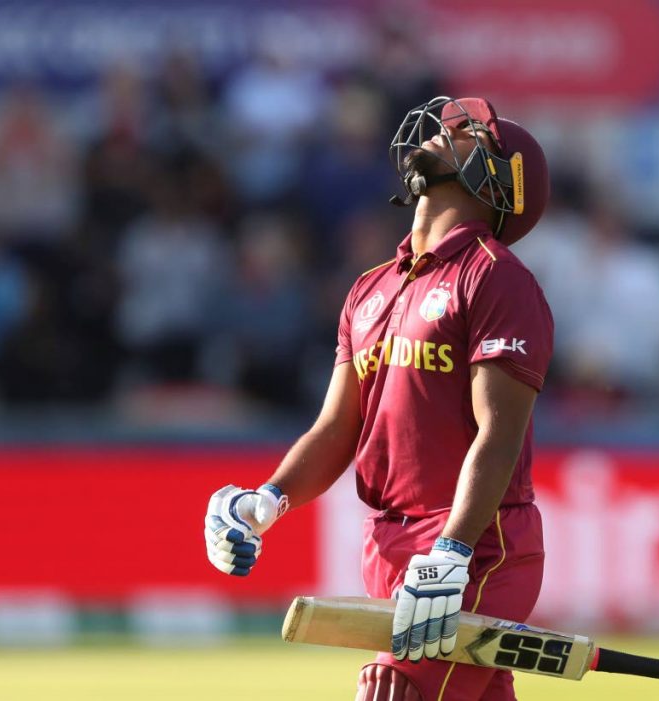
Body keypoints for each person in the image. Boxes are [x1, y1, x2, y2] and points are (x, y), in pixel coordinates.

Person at [204, 96, 552, 700]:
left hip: (476, 545)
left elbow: (498, 432)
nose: (443, 132)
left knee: (392, 690)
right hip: (389, 546)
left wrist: (452, 551)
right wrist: (269, 500)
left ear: (499, 176)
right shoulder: (372, 286)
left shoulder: (495, 276)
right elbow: (337, 426)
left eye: (466, 132)